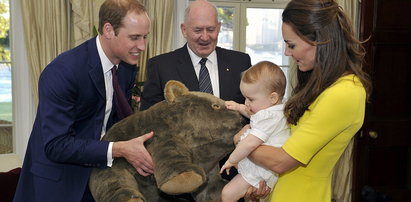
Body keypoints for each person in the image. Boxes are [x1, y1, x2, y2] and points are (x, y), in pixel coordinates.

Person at [13, 0, 154, 201]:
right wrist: (119, 149)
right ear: (108, 30)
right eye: (134, 37)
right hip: (58, 185)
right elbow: (56, 145)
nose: (142, 46)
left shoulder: (126, 69)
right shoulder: (63, 72)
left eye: (145, 37)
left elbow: (114, 122)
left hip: (99, 179)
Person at [244, 0, 372, 201]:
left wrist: (241, 142)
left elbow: (280, 161)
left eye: (291, 45)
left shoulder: (345, 92)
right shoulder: (322, 85)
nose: (287, 52)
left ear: (320, 40)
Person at [139, 0, 252, 111]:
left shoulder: (241, 63)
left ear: (218, 28)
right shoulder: (160, 66)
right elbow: (149, 118)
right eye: (198, 30)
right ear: (184, 30)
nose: (205, 37)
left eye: (211, 29)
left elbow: (254, 111)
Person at [219, 61, 290, 202]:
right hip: (265, 166)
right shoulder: (276, 110)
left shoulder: (267, 117)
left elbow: (249, 144)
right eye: (245, 97)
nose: (246, 103)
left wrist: (232, 160)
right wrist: (239, 107)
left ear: (273, 97)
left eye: (250, 99)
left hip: (261, 170)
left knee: (227, 194)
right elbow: (254, 114)